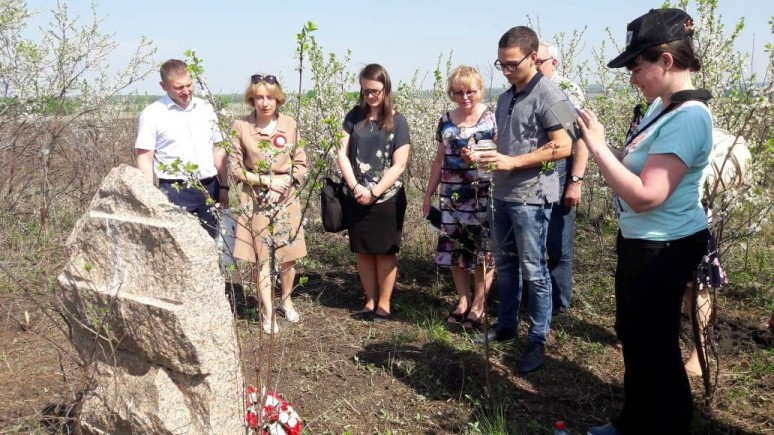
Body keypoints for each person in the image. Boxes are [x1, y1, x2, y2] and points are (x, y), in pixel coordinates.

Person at [579, 9, 712, 435]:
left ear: (666, 61)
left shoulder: (689, 117)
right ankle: (633, 422)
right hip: (641, 240)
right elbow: (636, 165)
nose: (633, 77)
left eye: (637, 66)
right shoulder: (661, 107)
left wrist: (597, 148)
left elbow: (646, 196)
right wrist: (605, 145)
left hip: (664, 246)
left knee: (656, 347)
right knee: (635, 338)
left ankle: (668, 426)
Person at [463, 26, 573, 374]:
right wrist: (482, 153)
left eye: (513, 64)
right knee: (507, 266)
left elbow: (564, 145)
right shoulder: (506, 97)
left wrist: (512, 162)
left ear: (534, 57)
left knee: (535, 271)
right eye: (502, 65)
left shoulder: (550, 95)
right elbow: (509, 143)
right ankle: (507, 326)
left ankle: (537, 339)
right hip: (502, 193)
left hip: (531, 198)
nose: (507, 71)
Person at [230, 74, 308, 334]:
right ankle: (268, 311)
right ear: (251, 99)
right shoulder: (241, 126)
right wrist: (266, 182)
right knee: (261, 258)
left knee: (288, 257)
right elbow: (235, 169)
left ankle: (286, 300)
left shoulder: (290, 124)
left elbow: (301, 165)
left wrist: (282, 184)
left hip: (286, 197)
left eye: (270, 98)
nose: (265, 103)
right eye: (259, 97)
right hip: (256, 199)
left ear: (278, 99)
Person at [423, 66, 496, 331]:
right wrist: (429, 193)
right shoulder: (445, 120)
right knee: (454, 249)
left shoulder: (492, 118)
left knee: (483, 252)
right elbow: (439, 159)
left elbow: (501, 155)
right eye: (458, 92)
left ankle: (478, 305)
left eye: (470, 91)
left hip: (482, 194)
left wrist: (478, 156)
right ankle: (463, 300)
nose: (465, 97)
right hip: (451, 195)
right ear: (451, 93)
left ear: (480, 90)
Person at [337, 64, 411, 322]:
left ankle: (384, 305)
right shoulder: (354, 116)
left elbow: (399, 164)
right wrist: (356, 187)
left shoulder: (398, 121)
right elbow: (341, 153)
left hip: (386, 198)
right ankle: (369, 301)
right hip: (356, 195)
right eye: (366, 91)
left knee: (385, 251)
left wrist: (375, 192)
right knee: (363, 250)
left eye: (375, 91)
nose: (370, 96)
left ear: (386, 89)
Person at [135, 59, 228, 238]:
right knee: (179, 244)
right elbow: (145, 157)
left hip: (210, 188)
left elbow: (218, 148)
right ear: (164, 86)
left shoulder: (206, 108)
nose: (186, 91)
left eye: (189, 85)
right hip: (175, 190)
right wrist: (148, 196)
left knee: (213, 243)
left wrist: (224, 186)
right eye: (179, 87)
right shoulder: (152, 114)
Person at [536, 41, 589, 316]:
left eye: (539, 61)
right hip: (533, 173)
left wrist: (575, 181)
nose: (534, 66)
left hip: (559, 170)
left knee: (558, 239)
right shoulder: (526, 89)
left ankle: (558, 304)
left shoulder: (562, 91)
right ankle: (535, 300)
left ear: (553, 63)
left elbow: (579, 138)